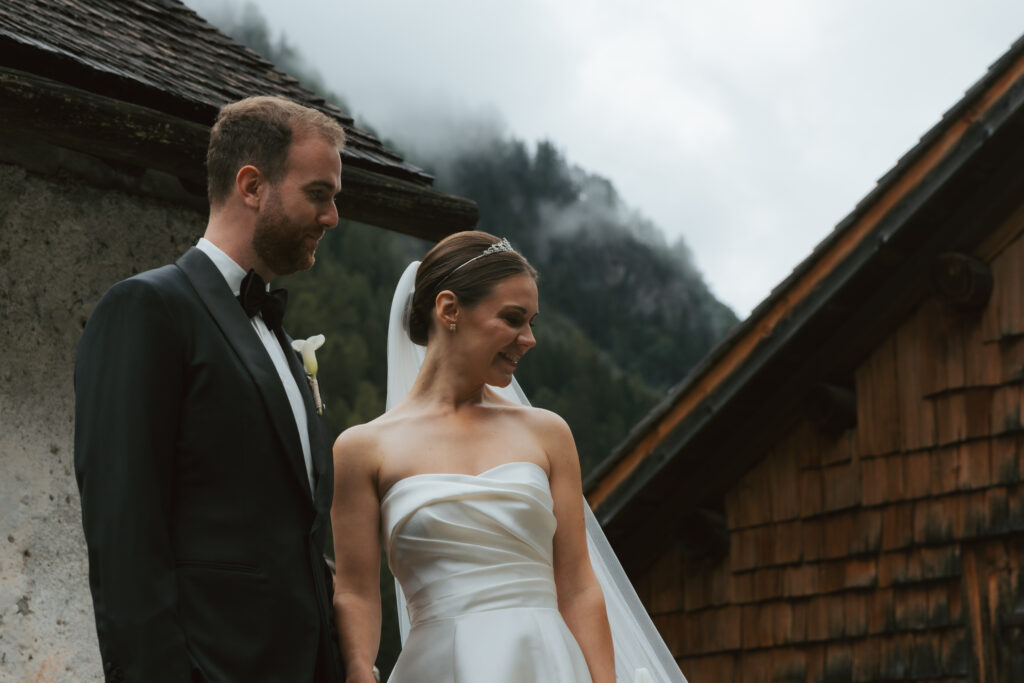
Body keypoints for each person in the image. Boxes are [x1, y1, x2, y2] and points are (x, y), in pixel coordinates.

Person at [331, 231, 688, 683]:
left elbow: (578, 583)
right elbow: (358, 591)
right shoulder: (363, 448)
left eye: (532, 321)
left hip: (546, 663)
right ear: (449, 310)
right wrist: (359, 670)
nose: (529, 339)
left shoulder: (547, 433)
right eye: (513, 319)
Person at [74, 95, 345, 683]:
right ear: (252, 185)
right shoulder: (147, 308)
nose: (332, 218)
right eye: (319, 194)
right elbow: (124, 535)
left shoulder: (281, 338)